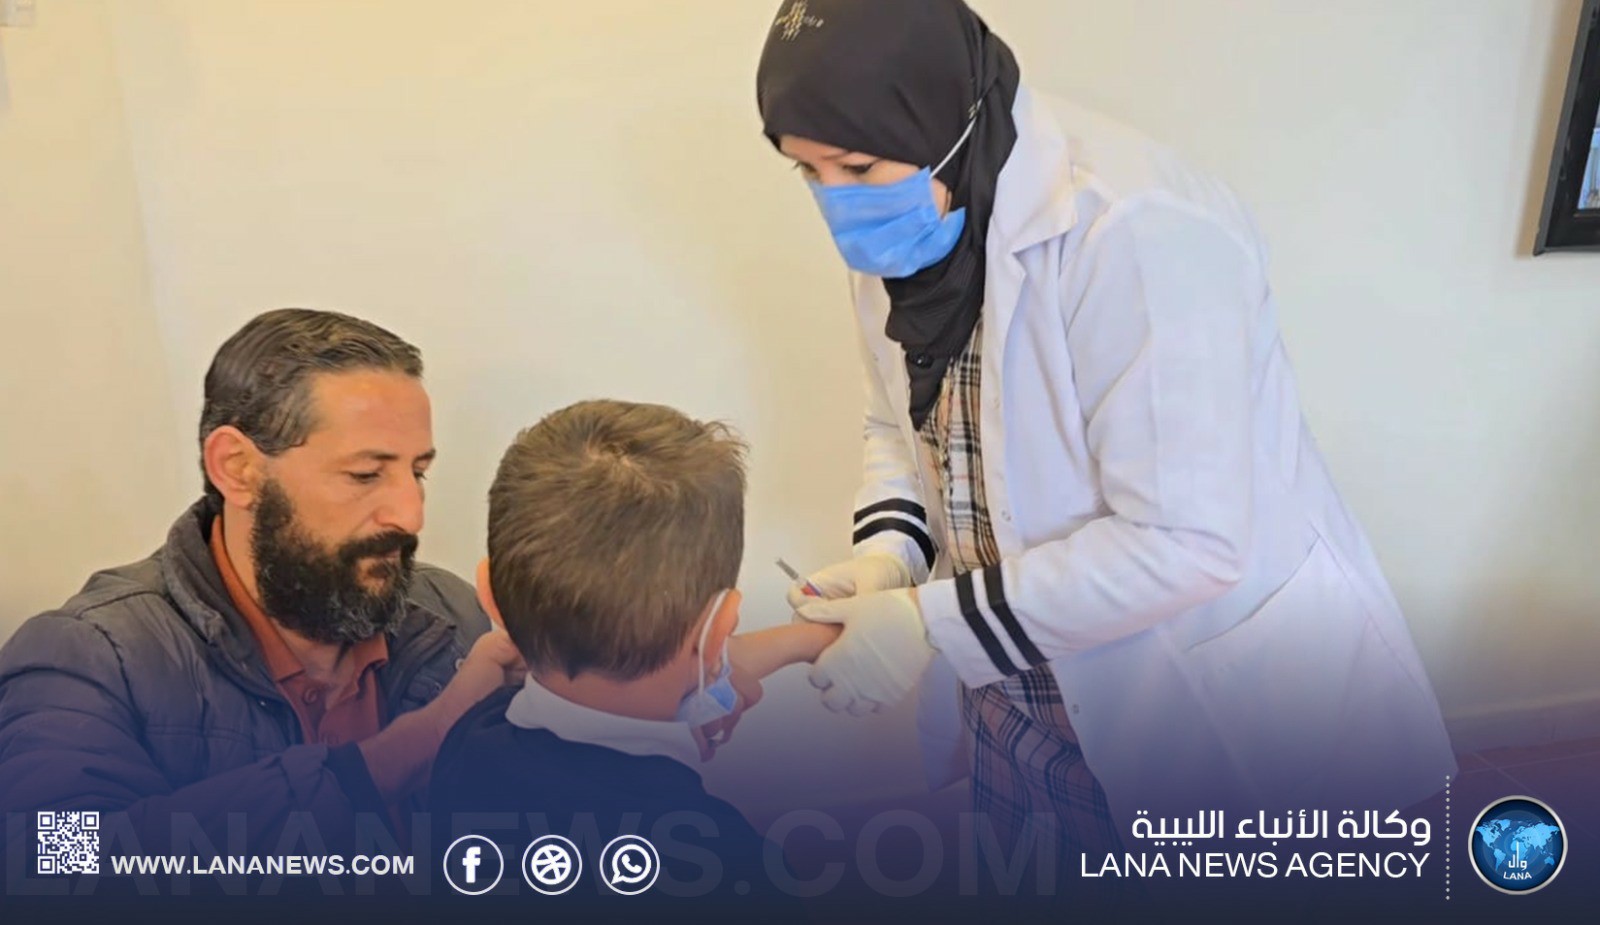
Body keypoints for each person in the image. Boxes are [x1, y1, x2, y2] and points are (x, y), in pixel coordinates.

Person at [755, 0, 1457, 860]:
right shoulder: (907, 239)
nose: (839, 204)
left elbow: (1187, 543)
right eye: (807, 171)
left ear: (946, 118)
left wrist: (925, 624)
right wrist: (887, 557)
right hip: (1015, 688)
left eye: (859, 166)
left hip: (1204, 704)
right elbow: (900, 426)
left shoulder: (1137, 228)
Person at [0, 309, 518, 864]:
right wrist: (406, 751)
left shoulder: (451, 613)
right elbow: (50, 860)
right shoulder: (92, 655)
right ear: (238, 468)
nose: (411, 516)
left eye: (417, 472)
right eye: (366, 474)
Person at [430, 399, 833, 914]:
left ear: (489, 596)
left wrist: (808, 640)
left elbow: (703, 650)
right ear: (721, 629)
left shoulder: (471, 737)